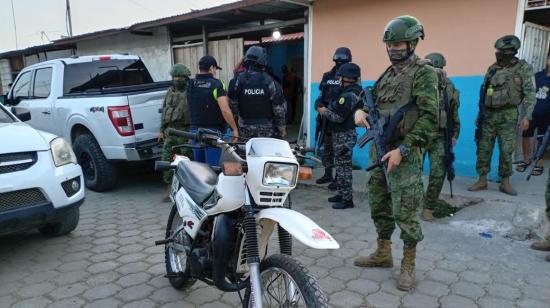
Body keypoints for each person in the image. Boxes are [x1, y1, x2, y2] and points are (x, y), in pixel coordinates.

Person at [353, 15, 439, 291]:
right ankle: (383, 253)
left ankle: (408, 265)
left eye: (399, 43)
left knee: (407, 210)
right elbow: (371, 102)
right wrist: (360, 111)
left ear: (413, 42)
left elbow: (429, 118)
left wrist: (403, 149)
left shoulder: (424, 72)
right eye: (390, 44)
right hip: (379, 150)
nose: (393, 48)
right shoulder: (387, 75)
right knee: (379, 204)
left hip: (405, 152)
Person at [468, 35, 535, 195]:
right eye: (497, 51)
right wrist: (480, 115)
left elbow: (530, 93)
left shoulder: (523, 68)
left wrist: (527, 116)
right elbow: (483, 94)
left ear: (511, 52)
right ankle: (482, 180)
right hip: (489, 115)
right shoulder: (492, 69)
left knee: (506, 150)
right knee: (484, 148)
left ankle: (505, 182)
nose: (498, 53)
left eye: (501, 51)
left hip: (508, 114)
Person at [422, 52, 461, 221]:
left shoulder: (449, 87)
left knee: (438, 172)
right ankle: (411, 202)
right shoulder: (418, 84)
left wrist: (454, 134)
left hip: (440, 136)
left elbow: (453, 113)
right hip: (419, 135)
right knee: (412, 172)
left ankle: (429, 207)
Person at [317, 63, 362, 209]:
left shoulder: (348, 95)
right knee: (341, 167)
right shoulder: (350, 91)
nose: (339, 80)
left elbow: (338, 117)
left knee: (344, 169)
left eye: (341, 77)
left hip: (345, 135)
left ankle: (347, 199)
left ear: (348, 78)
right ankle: (342, 194)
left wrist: (323, 110)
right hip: (342, 134)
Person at [187, 55, 239, 166]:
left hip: (194, 132)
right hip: (212, 133)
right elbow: (225, 110)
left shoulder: (190, 84)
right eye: (215, 69)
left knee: (198, 168)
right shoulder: (217, 84)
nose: (215, 71)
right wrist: (234, 129)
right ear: (211, 68)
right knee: (212, 168)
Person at [315, 47, 353, 191]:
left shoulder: (350, 78)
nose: (339, 64)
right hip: (326, 118)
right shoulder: (327, 76)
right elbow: (321, 94)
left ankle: (339, 178)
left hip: (340, 119)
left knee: (340, 152)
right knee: (327, 149)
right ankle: (327, 174)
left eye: (342, 62)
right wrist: (318, 104)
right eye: (337, 61)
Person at [229, 46, 286, 139]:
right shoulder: (270, 81)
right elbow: (279, 109)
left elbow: (232, 106)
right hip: (267, 132)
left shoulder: (237, 81)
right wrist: (282, 128)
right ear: (263, 60)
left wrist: (234, 128)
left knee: (245, 153)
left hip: (244, 131)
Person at [159, 64, 192, 202]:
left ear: (185, 78)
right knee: (166, 161)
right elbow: (164, 110)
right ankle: (170, 187)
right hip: (170, 131)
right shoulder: (169, 92)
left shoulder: (190, 91)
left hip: (185, 132)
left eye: (180, 77)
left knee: (186, 162)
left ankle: (187, 190)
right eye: (175, 77)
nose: (177, 79)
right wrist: (161, 130)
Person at [517, 55, 550, 176]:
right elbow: (529, 90)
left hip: (547, 115)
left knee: (542, 139)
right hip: (532, 113)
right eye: (549, 59)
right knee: (526, 135)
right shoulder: (538, 75)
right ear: (546, 60)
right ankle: (526, 159)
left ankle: (539, 163)